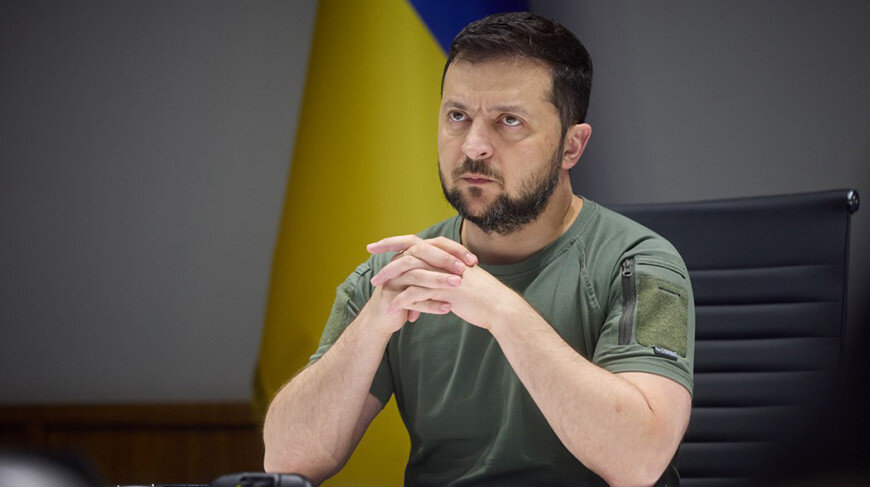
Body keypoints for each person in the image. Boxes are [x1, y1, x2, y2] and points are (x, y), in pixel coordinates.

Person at [263, 12, 694, 487]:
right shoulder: (399, 275)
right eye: (457, 116)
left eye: (509, 121)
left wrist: (499, 310)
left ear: (572, 146)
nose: (473, 146)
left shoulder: (640, 265)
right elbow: (286, 461)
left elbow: (638, 462)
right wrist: (371, 325)